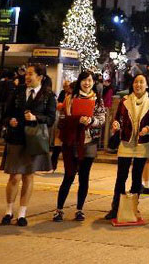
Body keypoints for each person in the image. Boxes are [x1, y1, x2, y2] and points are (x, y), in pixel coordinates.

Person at [0, 63, 57, 226]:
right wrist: (8, 121)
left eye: (31, 74)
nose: (27, 76)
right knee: (14, 175)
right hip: (16, 137)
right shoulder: (17, 92)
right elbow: (6, 114)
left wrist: (36, 118)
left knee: (28, 176)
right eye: (27, 74)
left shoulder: (48, 95)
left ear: (40, 77)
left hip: (34, 139)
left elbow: (51, 119)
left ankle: (22, 213)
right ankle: (8, 211)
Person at [104, 74, 149, 220]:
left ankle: (133, 208)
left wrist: (148, 128)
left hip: (143, 144)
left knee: (136, 178)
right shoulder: (124, 101)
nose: (139, 85)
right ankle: (115, 208)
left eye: (142, 82)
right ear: (132, 84)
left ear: (147, 85)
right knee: (121, 177)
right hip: (126, 142)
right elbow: (117, 117)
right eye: (136, 82)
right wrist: (116, 124)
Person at [53, 71, 107, 222]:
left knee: (84, 177)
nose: (87, 83)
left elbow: (102, 119)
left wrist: (90, 121)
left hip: (89, 143)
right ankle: (59, 209)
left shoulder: (97, 100)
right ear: (80, 82)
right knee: (68, 176)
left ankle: (79, 209)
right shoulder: (70, 98)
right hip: (71, 142)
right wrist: (74, 119)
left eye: (89, 80)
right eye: (84, 80)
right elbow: (62, 120)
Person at [51, 77, 72, 172]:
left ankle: (70, 167)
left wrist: (63, 105)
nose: (65, 88)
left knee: (68, 146)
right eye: (64, 86)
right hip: (62, 119)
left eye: (67, 86)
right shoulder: (63, 93)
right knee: (58, 142)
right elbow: (59, 106)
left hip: (69, 121)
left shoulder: (72, 96)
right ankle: (53, 164)